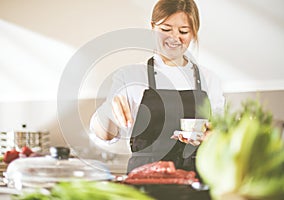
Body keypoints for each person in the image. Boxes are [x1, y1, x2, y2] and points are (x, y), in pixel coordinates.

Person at [90, 0, 225, 173]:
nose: (174, 38)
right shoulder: (131, 76)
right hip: (144, 185)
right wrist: (108, 110)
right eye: (166, 29)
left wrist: (214, 137)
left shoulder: (210, 79)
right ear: (153, 27)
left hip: (197, 183)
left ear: (193, 33)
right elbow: (105, 135)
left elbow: (221, 137)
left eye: (183, 31)